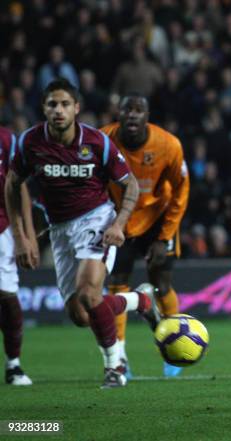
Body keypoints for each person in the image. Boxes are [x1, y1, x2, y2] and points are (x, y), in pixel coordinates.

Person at [5, 78, 160, 389]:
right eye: (52, 104)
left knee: (89, 294)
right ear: (44, 109)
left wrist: (118, 224)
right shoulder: (30, 143)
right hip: (60, 229)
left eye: (64, 104)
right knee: (80, 314)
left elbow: (129, 184)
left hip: (96, 219)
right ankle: (140, 301)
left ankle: (114, 367)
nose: (58, 111)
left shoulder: (97, 143)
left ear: (76, 108)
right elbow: (11, 185)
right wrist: (22, 236)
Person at [101, 95, 189, 377]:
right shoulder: (103, 139)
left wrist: (164, 237)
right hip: (121, 219)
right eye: (127, 110)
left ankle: (175, 350)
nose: (132, 115)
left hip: (157, 217)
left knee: (161, 282)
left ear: (147, 115)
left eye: (139, 110)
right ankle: (119, 357)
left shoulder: (168, 145)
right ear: (120, 113)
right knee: (117, 285)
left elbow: (181, 191)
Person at [0, 126, 37, 386]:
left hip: (1, 226)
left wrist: (26, 234)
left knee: (7, 294)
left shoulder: (6, 139)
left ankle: (13, 364)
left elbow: (18, 186)